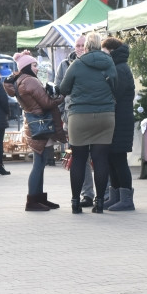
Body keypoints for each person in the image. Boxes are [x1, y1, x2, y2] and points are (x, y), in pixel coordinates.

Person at [58, 31, 116, 214]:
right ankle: (99, 202)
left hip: (79, 116)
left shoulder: (76, 64)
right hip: (105, 116)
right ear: (100, 44)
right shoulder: (109, 63)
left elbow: (64, 88)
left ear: (87, 46)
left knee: (79, 159)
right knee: (100, 160)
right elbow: (116, 85)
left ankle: (76, 202)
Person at [5, 51, 66, 211]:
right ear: (26, 66)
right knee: (39, 164)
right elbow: (46, 103)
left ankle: (39, 198)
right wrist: (61, 97)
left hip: (35, 125)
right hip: (40, 125)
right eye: (34, 65)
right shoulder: (30, 80)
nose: (37, 68)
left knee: (41, 163)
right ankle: (32, 201)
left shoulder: (20, 80)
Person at [58, 35, 95, 207]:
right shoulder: (65, 65)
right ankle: (87, 194)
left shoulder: (94, 63)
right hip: (71, 116)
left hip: (93, 116)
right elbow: (59, 91)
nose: (79, 48)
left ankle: (105, 193)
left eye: (82, 45)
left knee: (97, 156)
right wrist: (63, 115)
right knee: (81, 158)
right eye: (77, 45)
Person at [101, 37, 136, 211]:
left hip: (120, 121)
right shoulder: (117, 67)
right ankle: (115, 196)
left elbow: (114, 94)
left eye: (105, 52)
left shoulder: (120, 69)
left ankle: (126, 199)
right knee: (112, 159)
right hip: (117, 120)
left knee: (119, 159)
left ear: (111, 51)